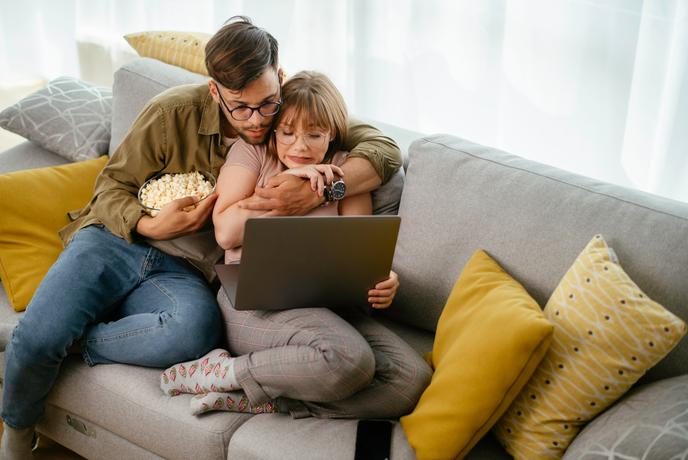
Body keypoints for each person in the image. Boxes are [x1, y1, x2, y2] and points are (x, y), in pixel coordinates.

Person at [0, 17, 403, 459]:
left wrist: (318, 190)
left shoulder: (290, 117)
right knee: (37, 338)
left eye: (266, 104)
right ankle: (19, 425)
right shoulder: (171, 112)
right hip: (116, 240)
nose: (257, 120)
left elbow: (384, 151)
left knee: (194, 333)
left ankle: (76, 339)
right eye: (240, 107)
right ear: (215, 92)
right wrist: (153, 225)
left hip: (187, 270)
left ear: (280, 81)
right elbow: (110, 187)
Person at [160, 71, 432, 419]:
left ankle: (256, 398)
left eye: (314, 135)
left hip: (328, 308)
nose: (299, 147)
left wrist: (383, 278)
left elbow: (359, 250)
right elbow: (226, 233)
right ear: (275, 129)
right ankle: (221, 373)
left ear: (332, 133)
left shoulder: (344, 171)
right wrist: (287, 184)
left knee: (410, 381)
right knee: (350, 360)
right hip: (252, 303)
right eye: (287, 133)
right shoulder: (253, 154)